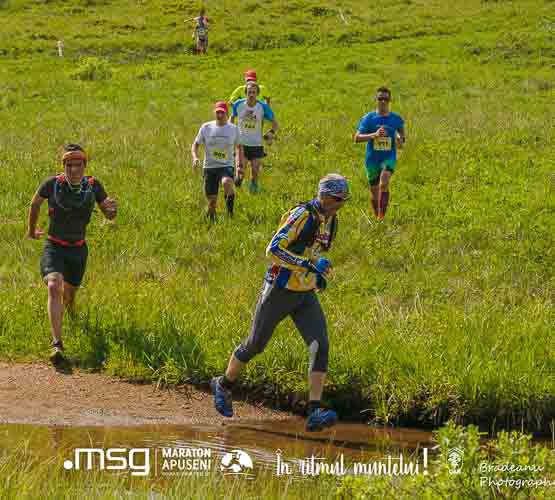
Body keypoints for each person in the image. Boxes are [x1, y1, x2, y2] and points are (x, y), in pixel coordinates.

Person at [210, 174, 350, 432]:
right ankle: (223, 384)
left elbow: (315, 252)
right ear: (323, 195)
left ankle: (314, 411)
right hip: (279, 289)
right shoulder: (301, 215)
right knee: (256, 344)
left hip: (305, 293)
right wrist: (306, 265)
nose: (341, 204)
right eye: (337, 199)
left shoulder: (331, 221)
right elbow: (273, 249)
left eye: (344, 200)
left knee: (320, 345)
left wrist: (318, 272)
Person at [27, 144, 117, 363]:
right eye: (69, 165)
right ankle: (57, 344)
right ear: (63, 165)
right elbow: (35, 204)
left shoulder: (93, 186)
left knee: (69, 296)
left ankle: (71, 311)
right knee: (54, 285)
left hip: (78, 249)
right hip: (54, 246)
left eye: (78, 165)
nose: (73, 170)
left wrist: (111, 211)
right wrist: (31, 231)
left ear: (85, 165)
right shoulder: (52, 184)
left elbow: (108, 213)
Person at [354, 87, 406, 219]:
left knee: (384, 183)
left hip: (389, 157)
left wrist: (400, 140)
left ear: (390, 100)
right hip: (372, 159)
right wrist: (374, 135)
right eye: (380, 98)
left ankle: (381, 217)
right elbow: (357, 138)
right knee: (374, 191)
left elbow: (402, 137)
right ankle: (377, 216)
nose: (383, 101)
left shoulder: (396, 119)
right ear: (376, 99)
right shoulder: (369, 118)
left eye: (386, 99)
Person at [192, 101, 244, 221]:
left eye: (222, 112)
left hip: (226, 165)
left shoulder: (233, 129)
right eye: (217, 112)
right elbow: (195, 144)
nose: (220, 115)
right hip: (210, 167)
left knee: (227, 182)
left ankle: (230, 213)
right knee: (212, 204)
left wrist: (239, 165)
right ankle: (211, 218)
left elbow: (239, 147)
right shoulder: (206, 127)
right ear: (214, 113)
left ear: (227, 114)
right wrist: (195, 157)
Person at [230, 81, 278, 193]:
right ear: (245, 93)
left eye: (254, 92)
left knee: (255, 172)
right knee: (240, 172)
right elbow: (232, 117)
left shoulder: (263, 106)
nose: (251, 94)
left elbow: (275, 123)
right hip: (241, 144)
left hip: (256, 144)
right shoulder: (238, 104)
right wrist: (230, 130)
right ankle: (235, 187)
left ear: (257, 94)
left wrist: (271, 133)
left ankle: (253, 191)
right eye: (249, 92)